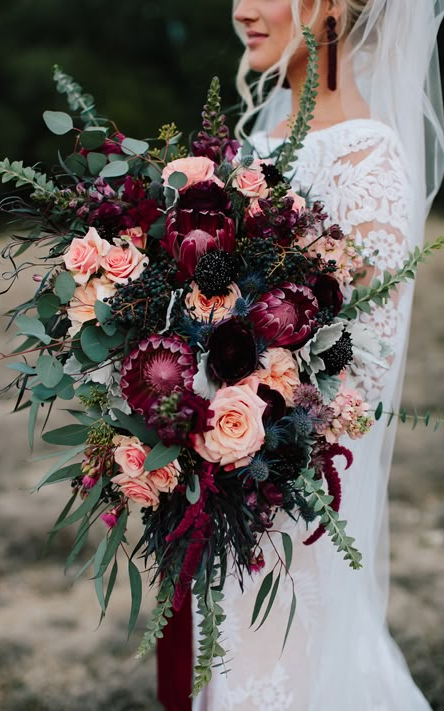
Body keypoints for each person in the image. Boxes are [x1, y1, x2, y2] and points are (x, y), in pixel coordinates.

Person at [191, 1, 444, 709]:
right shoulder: (261, 135)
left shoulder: (371, 160)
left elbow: (354, 393)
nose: (242, 8)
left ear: (332, 4)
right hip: (227, 498)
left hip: (295, 513)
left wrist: (237, 410)